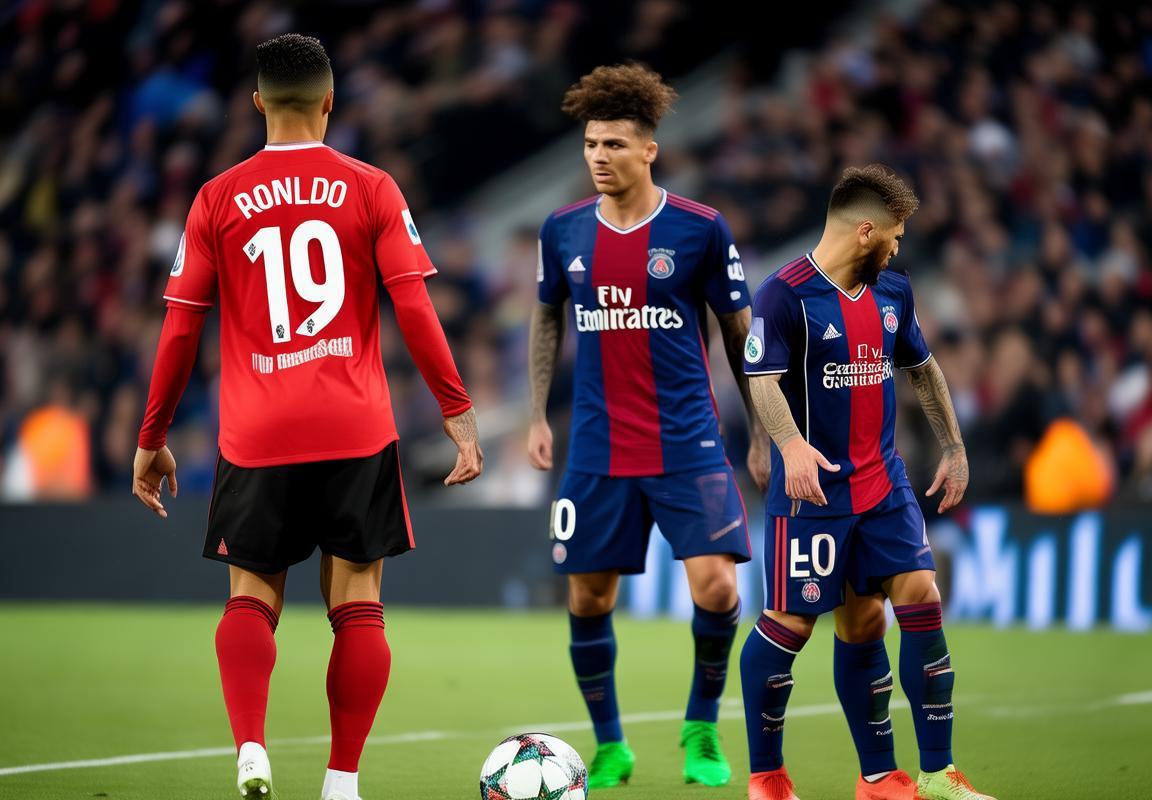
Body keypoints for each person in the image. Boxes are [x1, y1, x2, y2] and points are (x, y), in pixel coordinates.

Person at [130, 34, 482, 800]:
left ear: (257, 102)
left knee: (251, 599)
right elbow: (414, 305)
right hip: (355, 428)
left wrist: (151, 437)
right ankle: (341, 780)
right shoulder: (372, 187)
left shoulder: (216, 197)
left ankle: (252, 751)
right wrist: (456, 409)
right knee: (358, 608)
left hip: (257, 432)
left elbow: (181, 330)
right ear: (329, 102)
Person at [528, 63, 770, 789]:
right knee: (588, 598)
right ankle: (610, 744)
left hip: (686, 440)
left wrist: (765, 432)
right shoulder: (563, 230)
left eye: (614, 145)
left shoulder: (699, 228)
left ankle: (702, 728)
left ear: (649, 150)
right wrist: (537, 414)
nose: (599, 157)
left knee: (718, 590)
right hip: (597, 446)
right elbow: (547, 317)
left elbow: (741, 334)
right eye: (590, 145)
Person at [739, 164, 995, 800]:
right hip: (813, 495)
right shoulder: (783, 294)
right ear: (865, 232)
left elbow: (924, 370)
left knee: (920, 595)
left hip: (883, 484)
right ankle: (769, 776)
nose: (898, 249)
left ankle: (932, 773)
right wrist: (791, 445)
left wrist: (954, 447)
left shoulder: (894, 293)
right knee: (803, 626)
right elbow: (761, 380)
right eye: (895, 236)